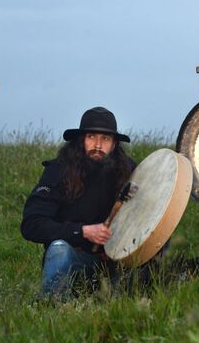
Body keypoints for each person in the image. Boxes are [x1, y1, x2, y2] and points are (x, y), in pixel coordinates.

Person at [20, 107, 135, 299]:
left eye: (105, 138)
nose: (98, 145)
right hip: (75, 259)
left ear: (114, 144)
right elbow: (32, 224)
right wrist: (82, 232)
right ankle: (51, 305)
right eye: (91, 136)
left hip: (117, 262)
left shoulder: (129, 171)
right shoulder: (58, 171)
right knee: (59, 249)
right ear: (81, 139)